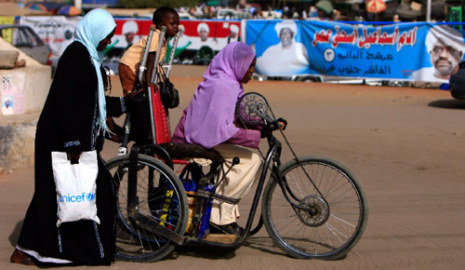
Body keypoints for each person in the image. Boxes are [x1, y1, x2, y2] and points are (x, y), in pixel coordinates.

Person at [10, 8, 127, 266]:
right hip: (62, 141)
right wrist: (73, 143)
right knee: (81, 193)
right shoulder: (76, 56)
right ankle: (58, 252)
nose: (109, 41)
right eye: (107, 36)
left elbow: (92, 104)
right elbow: (66, 104)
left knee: (50, 194)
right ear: (94, 32)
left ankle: (25, 249)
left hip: (68, 140)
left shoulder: (89, 57)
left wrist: (125, 104)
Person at [172, 42, 285, 235]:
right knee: (251, 161)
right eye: (249, 65)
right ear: (236, 63)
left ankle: (223, 213)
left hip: (206, 135)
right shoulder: (223, 86)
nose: (252, 71)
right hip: (195, 139)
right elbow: (222, 130)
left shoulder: (229, 82)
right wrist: (257, 134)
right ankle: (218, 216)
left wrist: (264, 125)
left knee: (245, 158)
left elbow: (235, 118)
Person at [118, 7, 179, 96]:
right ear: (160, 25)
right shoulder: (156, 36)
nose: (176, 27)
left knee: (140, 93)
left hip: (137, 66)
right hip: (129, 65)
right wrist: (149, 82)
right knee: (131, 94)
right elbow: (151, 58)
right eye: (172, 24)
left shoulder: (163, 38)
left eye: (177, 24)